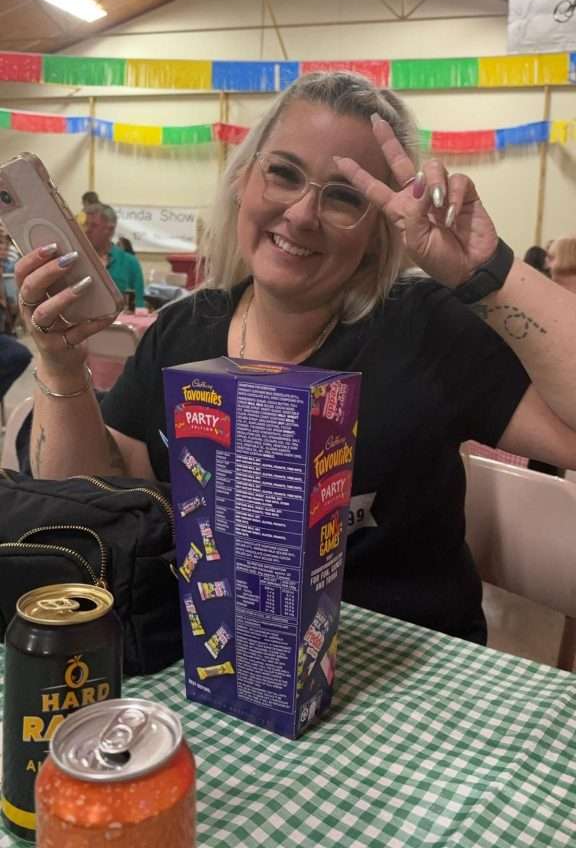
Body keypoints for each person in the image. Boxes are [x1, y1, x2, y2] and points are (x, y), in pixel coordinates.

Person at [14, 71, 576, 645]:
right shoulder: (185, 331)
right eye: (283, 173)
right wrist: (60, 364)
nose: (303, 214)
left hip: (408, 681)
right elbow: (85, 503)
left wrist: (488, 273)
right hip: (223, 663)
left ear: (380, 233)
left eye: (344, 197)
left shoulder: (425, 328)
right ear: (243, 182)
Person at [84, 203, 145, 308]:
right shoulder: (78, 259)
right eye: (86, 224)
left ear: (110, 229)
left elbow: (138, 305)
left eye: (93, 225)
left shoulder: (130, 262)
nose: (87, 230)